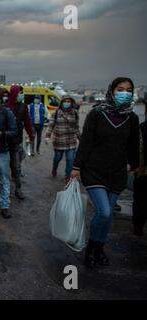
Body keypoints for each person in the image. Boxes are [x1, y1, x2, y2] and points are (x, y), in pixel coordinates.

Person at [72, 77, 139, 268]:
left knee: (108, 217)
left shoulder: (132, 118)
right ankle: (90, 249)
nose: (124, 93)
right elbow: (86, 142)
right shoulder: (97, 114)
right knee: (104, 212)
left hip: (117, 172)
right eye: (120, 89)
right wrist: (77, 167)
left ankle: (100, 249)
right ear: (112, 91)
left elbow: (133, 145)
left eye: (128, 90)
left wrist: (135, 166)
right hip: (94, 171)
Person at [7, 85, 34, 200]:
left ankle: (18, 188)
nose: (22, 95)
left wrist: (31, 134)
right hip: (4, 142)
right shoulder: (6, 107)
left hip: (17, 141)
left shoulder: (24, 107)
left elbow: (27, 122)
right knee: (4, 167)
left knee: (17, 166)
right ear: (14, 94)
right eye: (20, 92)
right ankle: (5, 188)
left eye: (22, 92)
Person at [45, 96, 81, 184]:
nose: (67, 103)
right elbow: (51, 125)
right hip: (59, 141)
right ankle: (54, 168)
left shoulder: (75, 113)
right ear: (61, 103)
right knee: (57, 158)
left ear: (72, 103)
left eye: (69, 101)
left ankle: (67, 176)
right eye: (65, 101)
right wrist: (47, 136)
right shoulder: (56, 113)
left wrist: (80, 138)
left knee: (70, 159)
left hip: (71, 141)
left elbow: (76, 127)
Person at [133, 101, 147, 236]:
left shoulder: (142, 127)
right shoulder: (142, 127)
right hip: (142, 172)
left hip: (142, 172)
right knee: (140, 201)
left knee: (140, 201)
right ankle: (138, 227)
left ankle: (138, 227)